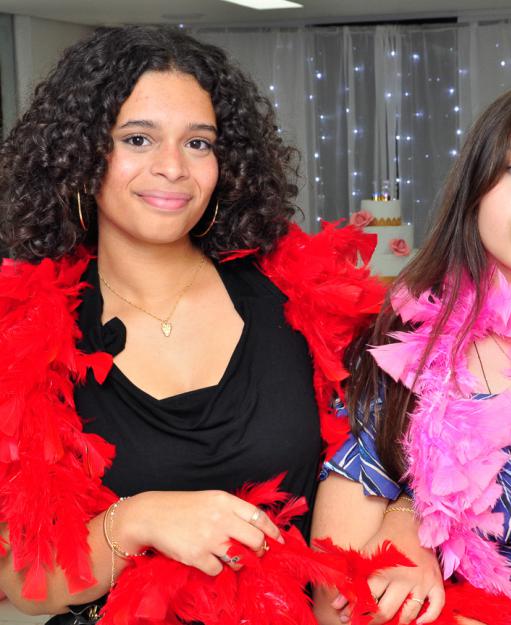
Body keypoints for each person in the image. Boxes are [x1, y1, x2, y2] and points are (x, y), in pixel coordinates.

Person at [0, 25, 386, 624]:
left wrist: (405, 522)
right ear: (79, 155)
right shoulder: (22, 336)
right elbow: (25, 584)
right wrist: (137, 519)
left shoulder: (301, 300)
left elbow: (404, 455)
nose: (173, 167)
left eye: (198, 143)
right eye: (138, 138)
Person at [312, 80, 511, 625]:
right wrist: (411, 512)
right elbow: (333, 606)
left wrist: (405, 512)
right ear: (475, 186)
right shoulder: (392, 359)